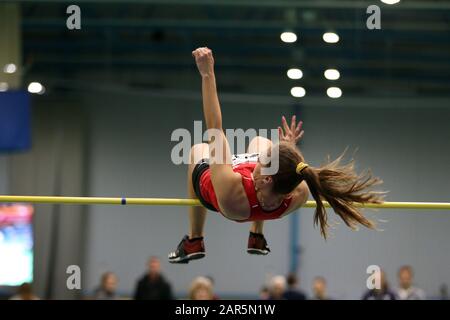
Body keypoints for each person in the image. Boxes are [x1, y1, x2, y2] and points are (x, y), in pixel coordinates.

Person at [168, 47, 384, 263]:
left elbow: (214, 126)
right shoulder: (299, 192)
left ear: (267, 177)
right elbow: (292, 169)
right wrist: (286, 149)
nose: (257, 162)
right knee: (261, 142)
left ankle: (195, 239)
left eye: (261, 163)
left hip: (218, 193)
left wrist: (207, 74)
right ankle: (257, 236)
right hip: (265, 199)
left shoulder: (230, 188)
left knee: (198, 149)